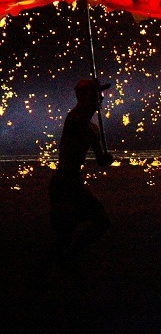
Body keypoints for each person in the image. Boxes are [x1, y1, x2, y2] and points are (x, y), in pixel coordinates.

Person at [49, 78, 114, 265]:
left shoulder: (93, 129)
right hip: (63, 183)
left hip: (73, 183)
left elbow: (101, 160)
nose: (101, 98)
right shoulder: (74, 119)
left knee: (99, 222)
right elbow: (79, 123)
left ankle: (69, 260)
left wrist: (106, 159)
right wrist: (89, 107)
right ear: (85, 96)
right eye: (97, 94)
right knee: (64, 236)